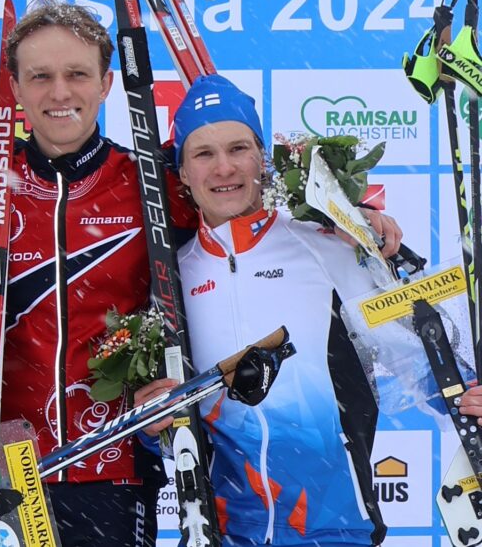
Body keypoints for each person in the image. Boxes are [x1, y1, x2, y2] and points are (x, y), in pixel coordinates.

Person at [138, 74, 388, 546]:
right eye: (204, 154)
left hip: (337, 528)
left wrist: (463, 398)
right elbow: (172, 427)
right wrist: (153, 428)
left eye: (238, 149)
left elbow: (413, 350)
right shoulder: (172, 278)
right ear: (183, 171)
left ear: (261, 159)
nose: (224, 168)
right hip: (229, 532)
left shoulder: (324, 247)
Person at [0, 0, 176, 547]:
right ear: (15, 88)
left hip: (114, 462)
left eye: (77, 74)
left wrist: (351, 216)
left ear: (105, 83)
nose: (59, 93)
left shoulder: (151, 185)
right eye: (40, 76)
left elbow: (244, 217)